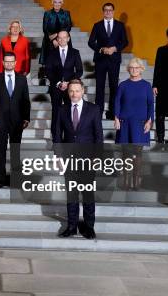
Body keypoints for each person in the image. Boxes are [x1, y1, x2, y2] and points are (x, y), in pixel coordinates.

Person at [52, 80, 103, 239]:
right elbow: (57, 135)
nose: (74, 94)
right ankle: (72, 226)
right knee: (71, 194)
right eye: (71, 91)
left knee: (88, 194)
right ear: (68, 92)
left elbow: (98, 135)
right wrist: (58, 157)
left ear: (83, 91)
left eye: (77, 91)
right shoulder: (62, 110)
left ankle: (89, 227)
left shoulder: (93, 109)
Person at [0, 52, 31, 188]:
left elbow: (26, 100)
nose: (9, 63)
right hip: (0, 121)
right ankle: (1, 180)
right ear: (3, 63)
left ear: (15, 62)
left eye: (11, 61)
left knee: (15, 151)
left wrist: (26, 117)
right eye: (6, 61)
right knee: (0, 151)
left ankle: (15, 179)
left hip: (17, 121)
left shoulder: (22, 79)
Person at [114, 58, 154, 190]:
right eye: (131, 67)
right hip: (125, 123)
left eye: (137, 68)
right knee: (126, 153)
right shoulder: (123, 85)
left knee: (138, 153)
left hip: (141, 123)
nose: (134, 70)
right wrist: (116, 118)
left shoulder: (147, 85)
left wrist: (150, 120)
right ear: (128, 69)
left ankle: (136, 181)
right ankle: (126, 181)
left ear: (141, 69)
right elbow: (117, 102)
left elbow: (150, 104)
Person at [88, 2, 129, 119]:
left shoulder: (120, 25)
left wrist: (115, 48)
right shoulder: (97, 25)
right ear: (103, 12)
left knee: (114, 86)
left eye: (110, 10)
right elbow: (91, 42)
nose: (108, 12)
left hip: (114, 60)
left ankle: (112, 112)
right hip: (100, 60)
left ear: (113, 11)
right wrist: (101, 49)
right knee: (99, 86)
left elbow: (125, 42)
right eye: (106, 10)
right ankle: (98, 112)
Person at [45, 30, 83, 125]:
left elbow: (79, 71)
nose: (62, 40)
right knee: (56, 113)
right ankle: (56, 137)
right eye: (59, 38)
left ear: (68, 39)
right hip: (56, 87)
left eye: (64, 37)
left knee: (70, 112)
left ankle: (68, 136)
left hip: (71, 89)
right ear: (57, 39)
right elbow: (48, 71)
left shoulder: (75, 53)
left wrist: (69, 83)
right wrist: (58, 83)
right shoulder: (51, 53)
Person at [41, 0, 73, 66]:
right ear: (52, 3)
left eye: (59, 2)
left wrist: (57, 36)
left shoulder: (66, 13)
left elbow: (68, 27)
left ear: (62, 3)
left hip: (64, 38)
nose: (57, 4)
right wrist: (53, 40)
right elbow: (45, 28)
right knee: (50, 59)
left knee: (65, 58)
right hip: (49, 39)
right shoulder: (47, 13)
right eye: (55, 2)